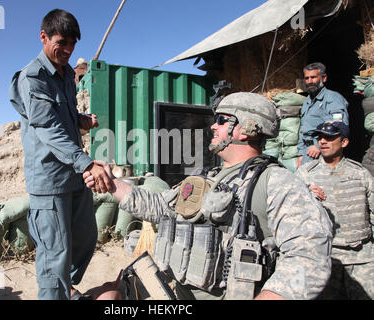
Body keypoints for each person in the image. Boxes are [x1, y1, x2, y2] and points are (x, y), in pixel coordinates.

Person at [84, 92, 333, 300]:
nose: (213, 125)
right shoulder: (206, 178)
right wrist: (111, 183)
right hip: (173, 292)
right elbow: (160, 207)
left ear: (245, 128)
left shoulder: (275, 182)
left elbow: (310, 256)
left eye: (222, 120)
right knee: (106, 294)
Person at [9, 9, 112, 300]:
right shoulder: (33, 78)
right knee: (55, 254)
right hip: (49, 180)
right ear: (44, 37)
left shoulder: (67, 76)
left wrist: (81, 120)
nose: (67, 50)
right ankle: (55, 292)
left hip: (72, 175)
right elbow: (48, 128)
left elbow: (63, 117)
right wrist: (87, 163)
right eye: (62, 42)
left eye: (72, 45)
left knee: (85, 238)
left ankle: (64, 286)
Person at [296, 121, 373, 299]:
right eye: (320, 137)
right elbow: (294, 214)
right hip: (326, 257)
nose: (322, 141)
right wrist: (305, 194)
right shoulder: (305, 174)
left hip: (362, 259)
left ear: (344, 142)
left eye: (329, 137)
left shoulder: (360, 173)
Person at [296, 62, 349, 167]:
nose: (310, 81)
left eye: (313, 77)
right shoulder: (307, 101)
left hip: (322, 153)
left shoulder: (332, 98)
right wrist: (301, 154)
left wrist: (317, 145)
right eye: (307, 78)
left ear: (324, 78)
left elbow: (339, 125)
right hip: (307, 152)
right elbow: (303, 130)